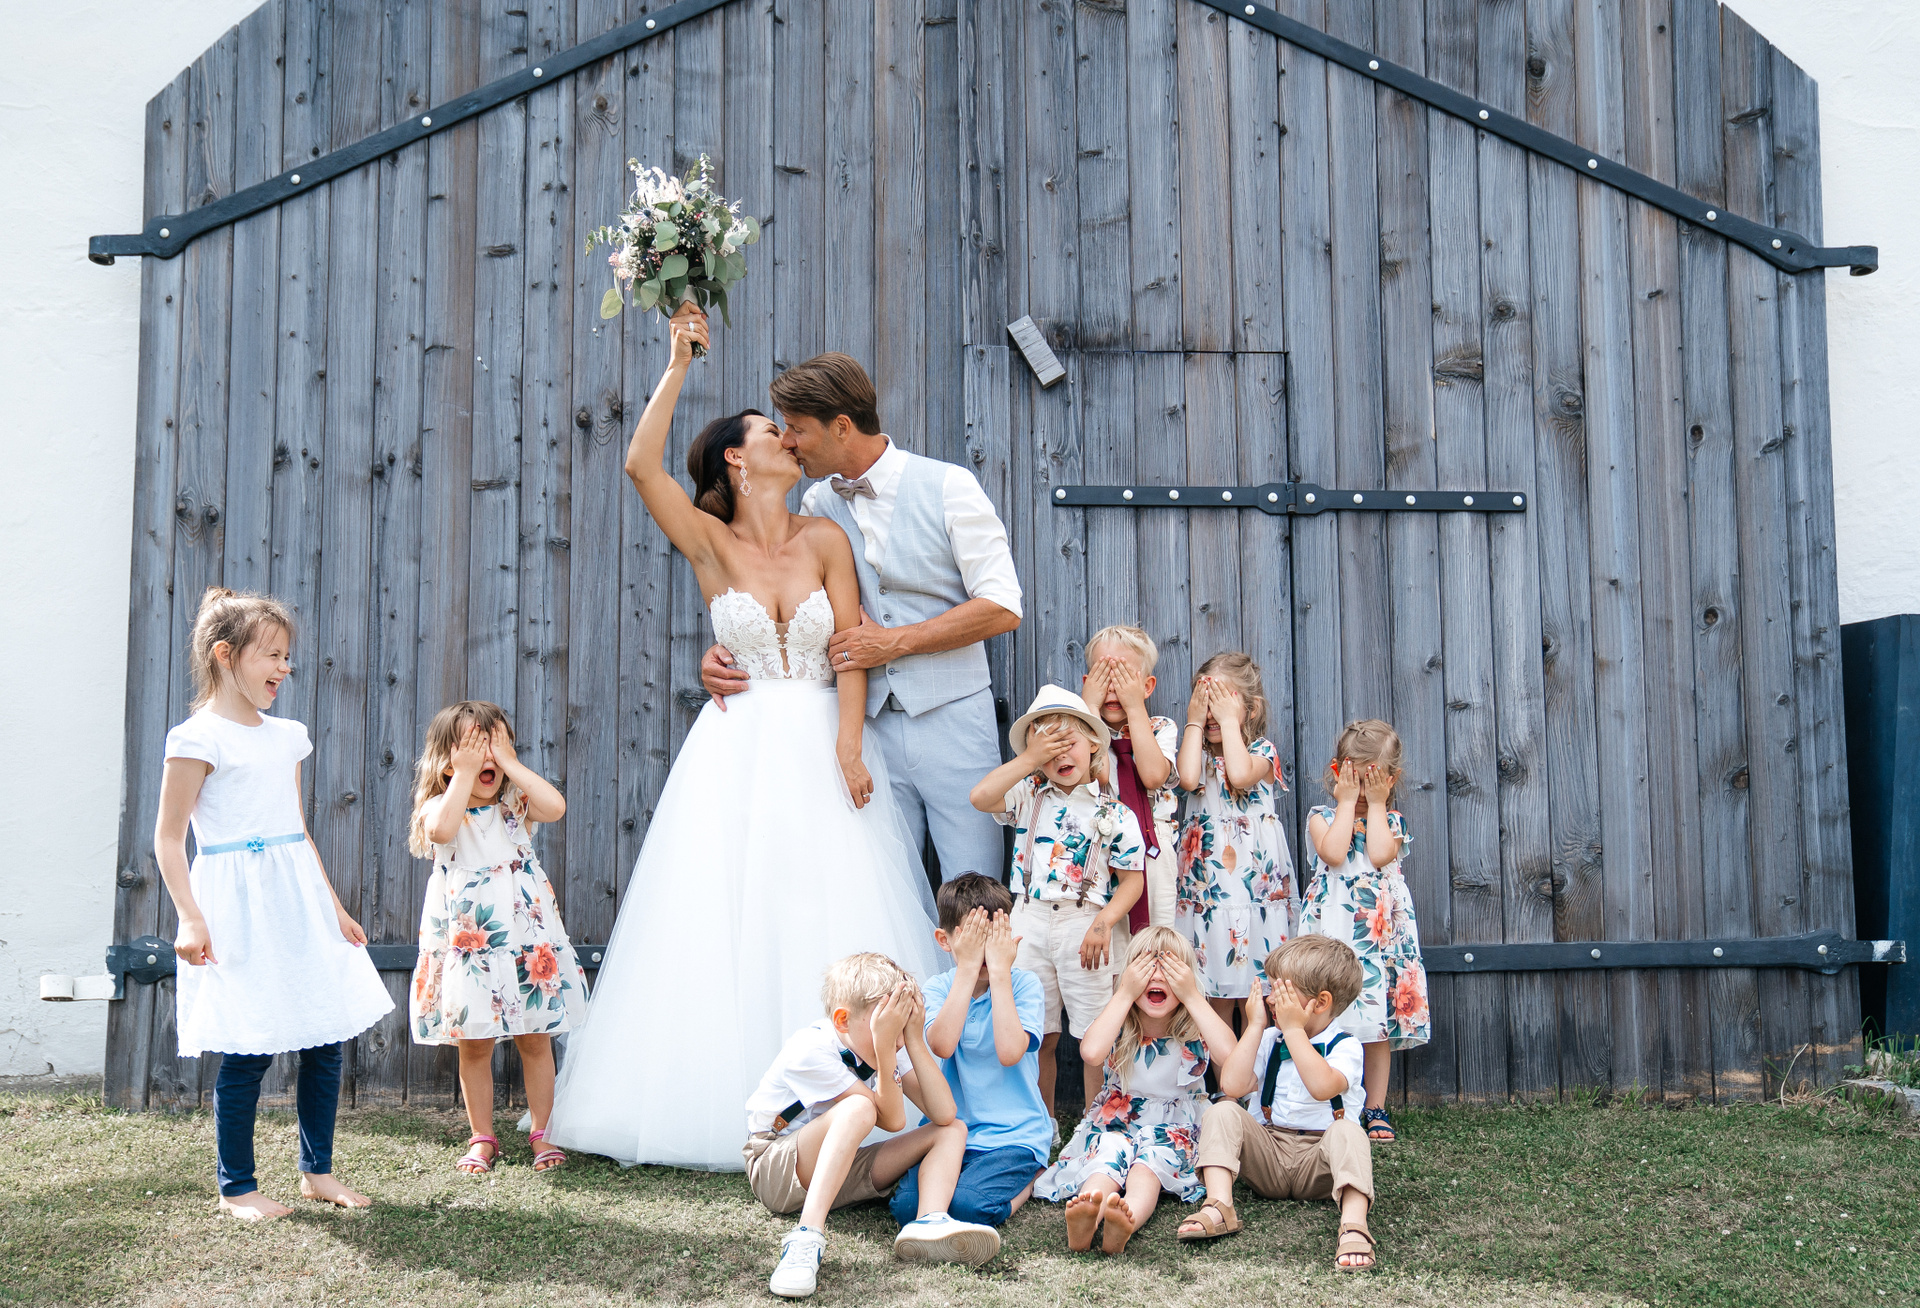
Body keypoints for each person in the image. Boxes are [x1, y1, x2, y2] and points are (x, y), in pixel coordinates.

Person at [543, 305, 941, 1171]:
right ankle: (731, 1099)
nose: (789, 440)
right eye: (771, 432)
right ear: (736, 456)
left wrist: (849, 746)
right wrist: (679, 361)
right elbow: (639, 464)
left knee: (822, 901)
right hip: (736, 749)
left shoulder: (824, 537)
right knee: (730, 907)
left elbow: (849, 649)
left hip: (822, 741)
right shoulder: (709, 543)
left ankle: (854, 1094)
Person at [700, 351, 1020, 883]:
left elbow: (1004, 606)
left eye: (797, 429)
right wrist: (726, 651)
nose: (788, 442)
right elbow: (774, 592)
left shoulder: (950, 486)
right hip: (863, 732)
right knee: (880, 892)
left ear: (842, 427)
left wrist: (895, 642)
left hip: (955, 721)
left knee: (975, 886)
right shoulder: (816, 504)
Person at [154, 587, 393, 1220]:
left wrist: (333, 907)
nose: (285, 668)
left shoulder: (287, 736)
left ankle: (318, 1173)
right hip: (236, 905)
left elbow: (298, 830)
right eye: (273, 655)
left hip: (297, 897)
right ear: (225, 655)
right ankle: (237, 1187)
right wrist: (190, 917)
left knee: (324, 1037)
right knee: (249, 1046)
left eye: (288, 656)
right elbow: (169, 838)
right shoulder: (196, 738)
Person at [745, 953, 997, 1298]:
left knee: (952, 1130)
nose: (896, 1037)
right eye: (887, 1023)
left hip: (835, 1168)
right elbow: (891, 1119)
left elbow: (944, 1112)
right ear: (843, 1020)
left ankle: (929, 1220)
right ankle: (806, 1237)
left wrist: (913, 1039)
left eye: (900, 1024)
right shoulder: (810, 1049)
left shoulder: (889, 1042)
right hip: (775, 1168)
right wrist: (886, 1045)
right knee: (860, 1108)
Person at [407, 700, 589, 1175]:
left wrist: (507, 762)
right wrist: (466, 773)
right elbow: (441, 829)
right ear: (448, 759)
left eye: (493, 743)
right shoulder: (440, 807)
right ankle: (482, 1137)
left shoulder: (515, 805)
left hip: (526, 939)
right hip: (473, 946)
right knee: (475, 1043)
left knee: (535, 1037)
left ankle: (543, 1133)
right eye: (472, 745)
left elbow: (556, 807)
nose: (484, 755)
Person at [970, 685, 1145, 1114]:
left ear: (1093, 744)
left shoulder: (1114, 813)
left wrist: (1103, 923)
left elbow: (1132, 882)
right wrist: (1029, 760)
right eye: (1048, 749)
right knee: (1037, 1032)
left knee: (1094, 1036)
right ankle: (1041, 1122)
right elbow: (980, 798)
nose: (1060, 756)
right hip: (1028, 918)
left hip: (1085, 923)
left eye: (1069, 743)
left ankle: (1094, 1123)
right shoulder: (1028, 795)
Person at [1032, 928, 1240, 1255]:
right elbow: (1091, 1053)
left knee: (1150, 1165)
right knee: (1107, 1154)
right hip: (1118, 1124)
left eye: (1169, 970)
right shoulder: (1120, 1023)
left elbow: (1231, 1058)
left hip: (1173, 1131)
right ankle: (1089, 1212)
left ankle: (1126, 1217)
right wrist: (1124, 994)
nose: (1156, 976)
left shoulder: (1195, 1027)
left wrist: (1192, 996)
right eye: (1146, 968)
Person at [1180, 935, 1377, 1270]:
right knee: (1223, 1109)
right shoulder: (1270, 1039)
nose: (1271, 998)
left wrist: (1295, 1031)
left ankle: (1354, 1225)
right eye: (1270, 988)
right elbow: (1232, 1085)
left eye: (1281, 990)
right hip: (1269, 1152)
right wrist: (1256, 1026)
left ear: (1320, 1002)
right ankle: (1219, 1205)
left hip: (1321, 1163)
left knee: (1349, 1132)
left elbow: (1322, 1087)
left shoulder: (1346, 1046)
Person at [888, 874, 1051, 1233]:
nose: (983, 949)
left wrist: (1000, 974)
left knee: (969, 1206)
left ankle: (1032, 1178)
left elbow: (1010, 1052)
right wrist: (966, 969)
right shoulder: (938, 987)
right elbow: (942, 1045)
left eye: (993, 936)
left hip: (1013, 1135)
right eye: (973, 938)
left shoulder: (1025, 985)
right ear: (945, 941)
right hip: (952, 1133)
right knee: (908, 1208)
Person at [1299, 718, 1431, 1142]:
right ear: (1337, 773)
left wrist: (1376, 804)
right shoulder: (1321, 818)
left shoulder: (1391, 822)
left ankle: (1375, 1106)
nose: (1360, 789)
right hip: (1333, 934)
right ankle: (1325, 1104)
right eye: (1354, 778)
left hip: (1378, 943)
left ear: (1390, 780)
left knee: (1376, 1028)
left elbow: (1377, 854)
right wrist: (1345, 803)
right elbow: (1335, 853)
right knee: (1324, 1018)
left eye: (1371, 779)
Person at [1173, 652, 1296, 1022]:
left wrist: (1229, 722)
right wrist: (1194, 721)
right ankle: (1224, 1062)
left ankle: (1258, 1060)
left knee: (1259, 992)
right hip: (1209, 891)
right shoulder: (1196, 755)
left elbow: (1240, 775)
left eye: (1221, 702)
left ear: (1251, 709)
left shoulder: (1262, 751)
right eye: (1205, 702)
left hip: (1252, 890)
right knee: (1214, 993)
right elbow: (1188, 779)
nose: (1213, 713)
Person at [1080, 625, 1180, 930]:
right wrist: (1089, 707)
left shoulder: (1161, 728)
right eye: (1104, 677)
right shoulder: (1080, 732)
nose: (1114, 689)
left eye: (1124, 678)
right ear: (1088, 683)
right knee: (1105, 936)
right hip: (1097, 844)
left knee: (1154, 935)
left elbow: (1152, 776)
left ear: (1147, 686)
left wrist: (1135, 707)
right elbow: (1098, 774)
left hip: (1153, 845)